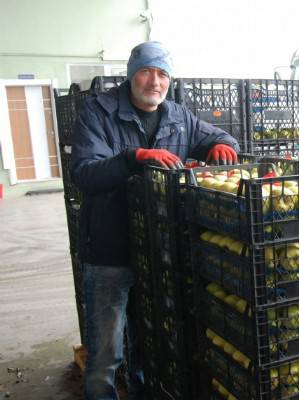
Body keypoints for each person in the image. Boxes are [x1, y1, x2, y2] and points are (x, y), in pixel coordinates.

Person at [70, 41, 239, 399]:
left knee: (149, 342)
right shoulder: (97, 113)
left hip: (156, 253)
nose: (155, 82)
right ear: (132, 75)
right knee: (105, 354)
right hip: (109, 251)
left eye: (163, 74)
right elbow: (85, 174)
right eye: (147, 71)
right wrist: (134, 157)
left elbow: (218, 136)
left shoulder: (178, 116)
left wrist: (223, 144)